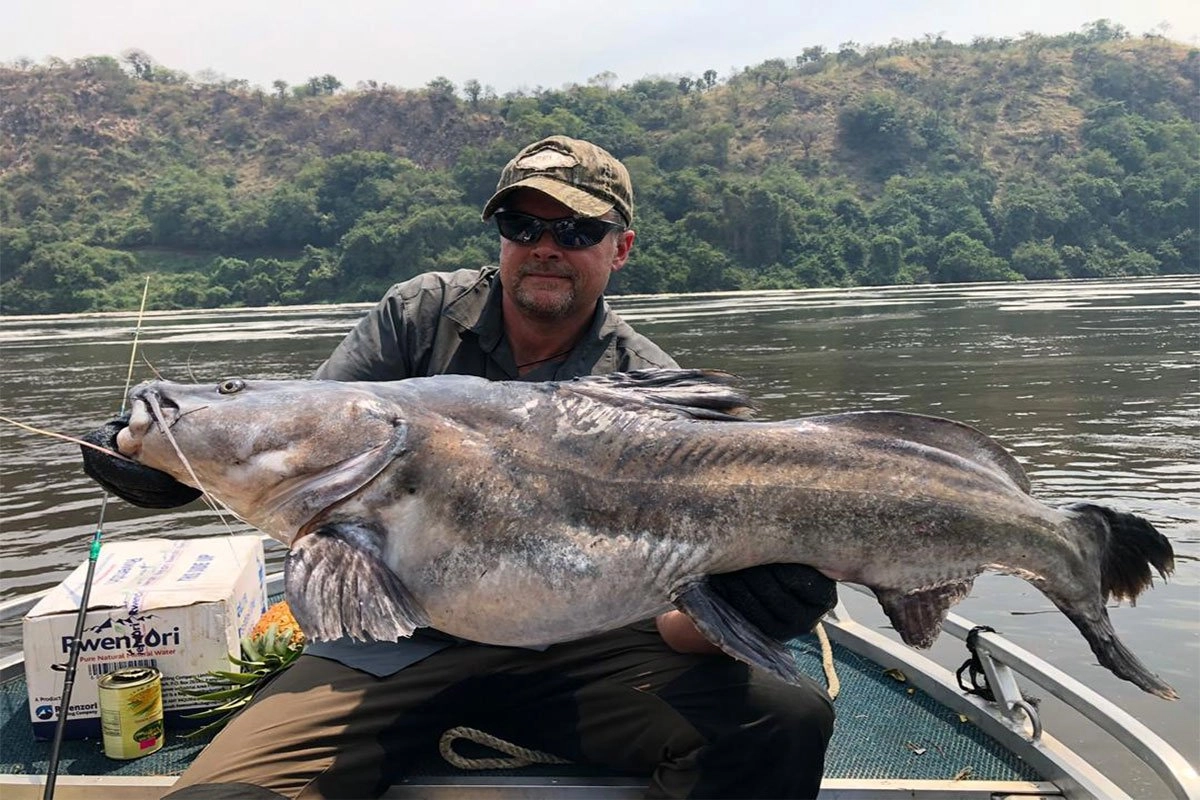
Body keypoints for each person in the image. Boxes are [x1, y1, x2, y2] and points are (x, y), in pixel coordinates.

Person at [85, 135, 837, 799]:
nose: (546, 244)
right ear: (501, 237)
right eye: (523, 225)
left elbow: (676, 616)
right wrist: (173, 467)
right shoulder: (418, 316)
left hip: (585, 649)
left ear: (621, 247)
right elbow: (309, 432)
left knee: (784, 722)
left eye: (577, 229)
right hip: (389, 643)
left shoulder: (653, 390)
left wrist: (753, 607)